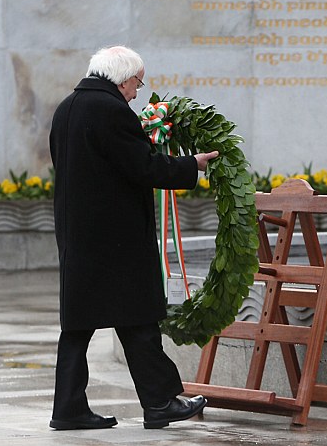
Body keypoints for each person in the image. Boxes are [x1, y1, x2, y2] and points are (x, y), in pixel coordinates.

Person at [48, 46, 219, 430]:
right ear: (123, 79)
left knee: (77, 327)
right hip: (116, 239)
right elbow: (142, 167)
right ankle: (159, 403)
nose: (137, 93)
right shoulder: (110, 111)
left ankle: (69, 408)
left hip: (79, 237)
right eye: (137, 84)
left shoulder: (66, 108)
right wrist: (191, 165)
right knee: (138, 317)